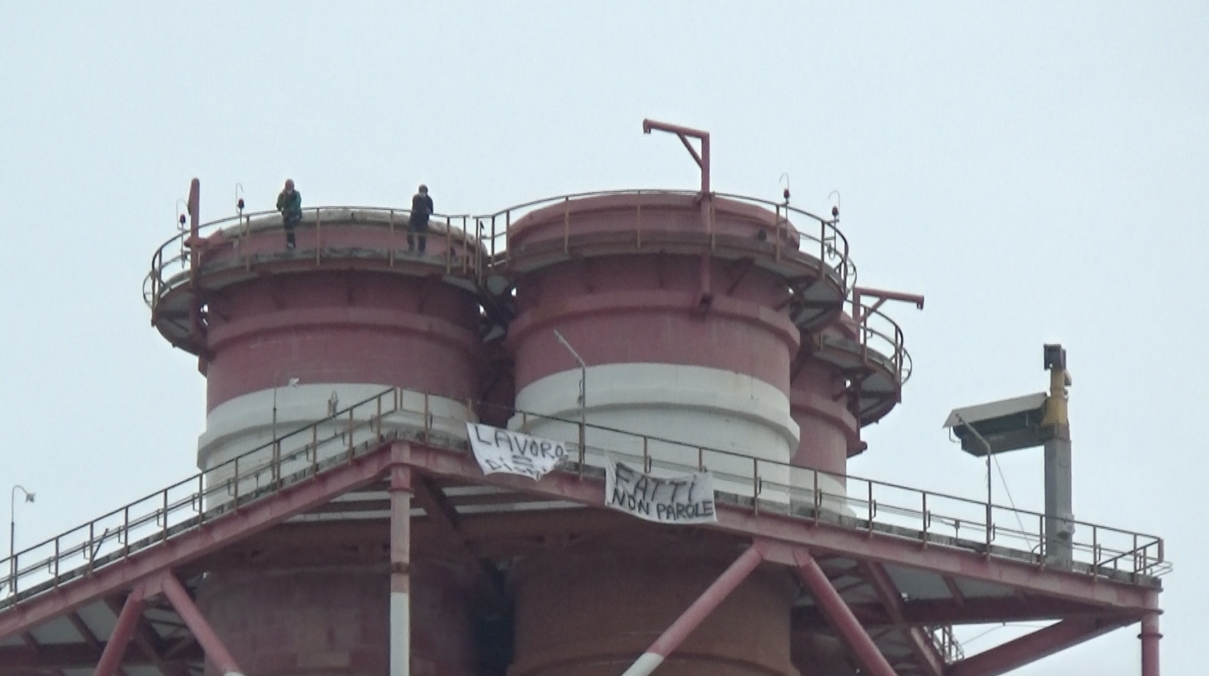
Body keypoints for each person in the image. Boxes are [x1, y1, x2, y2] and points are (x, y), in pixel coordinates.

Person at [276, 179, 302, 249]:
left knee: (290, 223)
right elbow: (278, 206)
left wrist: (290, 210)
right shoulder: (282, 195)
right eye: (288, 186)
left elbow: (297, 203)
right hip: (287, 216)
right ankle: (290, 243)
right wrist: (283, 199)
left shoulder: (296, 194)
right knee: (287, 223)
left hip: (296, 214)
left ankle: (291, 243)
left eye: (290, 186)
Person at [408, 184, 433, 254]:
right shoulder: (415, 198)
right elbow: (415, 208)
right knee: (410, 231)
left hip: (423, 221)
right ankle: (411, 246)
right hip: (414, 219)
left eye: (423, 192)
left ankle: (421, 250)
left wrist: (427, 211)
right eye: (421, 191)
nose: (422, 193)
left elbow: (431, 210)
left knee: (422, 236)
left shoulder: (429, 200)